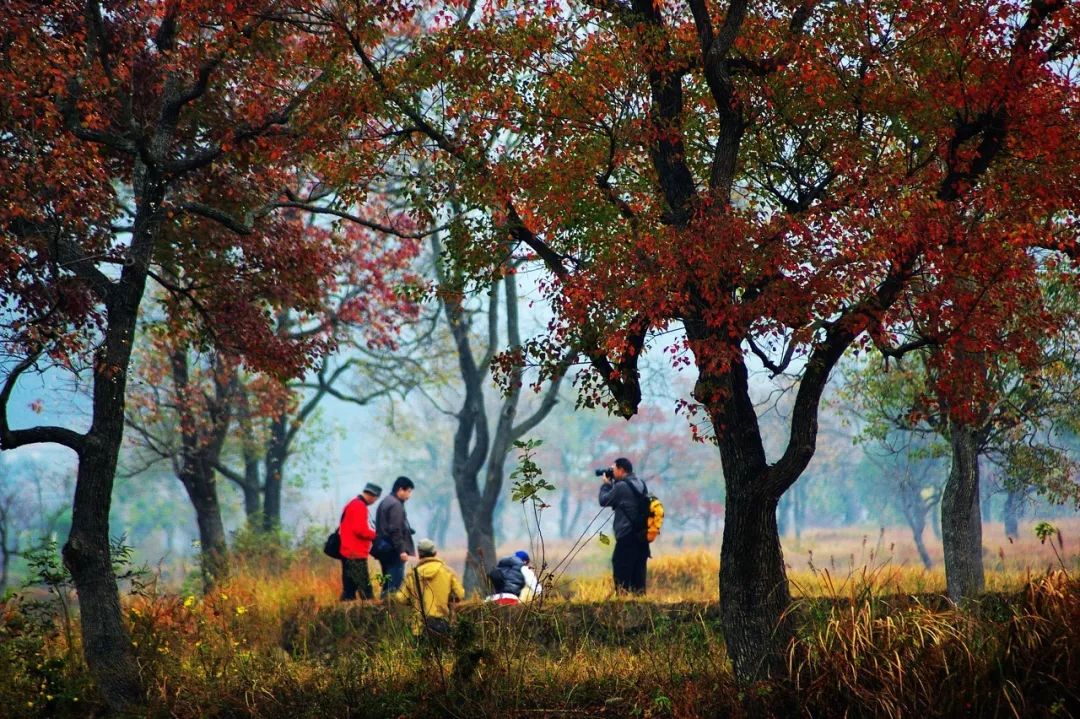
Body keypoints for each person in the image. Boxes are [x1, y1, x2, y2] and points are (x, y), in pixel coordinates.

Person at [394, 538, 465, 639]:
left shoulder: (412, 574)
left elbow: (400, 598)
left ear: (419, 555)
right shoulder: (447, 571)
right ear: (435, 553)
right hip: (442, 624)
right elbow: (460, 594)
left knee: (422, 654)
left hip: (419, 627)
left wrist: (414, 600)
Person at [598, 457, 649, 594]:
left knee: (621, 575)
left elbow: (604, 500)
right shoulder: (641, 484)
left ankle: (623, 605)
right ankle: (641, 607)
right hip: (642, 538)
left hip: (626, 537)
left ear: (621, 470)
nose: (612, 472)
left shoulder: (621, 487)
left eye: (613, 469)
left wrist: (607, 484)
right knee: (638, 577)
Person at [338, 482, 382, 601]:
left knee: (349, 590)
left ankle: (343, 615)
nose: (374, 502)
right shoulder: (359, 506)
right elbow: (360, 530)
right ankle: (371, 616)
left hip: (347, 552)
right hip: (355, 554)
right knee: (366, 591)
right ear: (373, 496)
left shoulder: (352, 504)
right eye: (375, 499)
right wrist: (376, 535)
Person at [375, 476, 416, 595]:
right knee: (395, 586)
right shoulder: (395, 505)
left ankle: (384, 610)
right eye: (408, 491)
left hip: (384, 549)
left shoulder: (386, 501)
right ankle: (392, 611)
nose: (409, 495)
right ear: (400, 490)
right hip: (393, 550)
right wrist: (402, 551)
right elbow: (395, 530)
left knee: (387, 584)